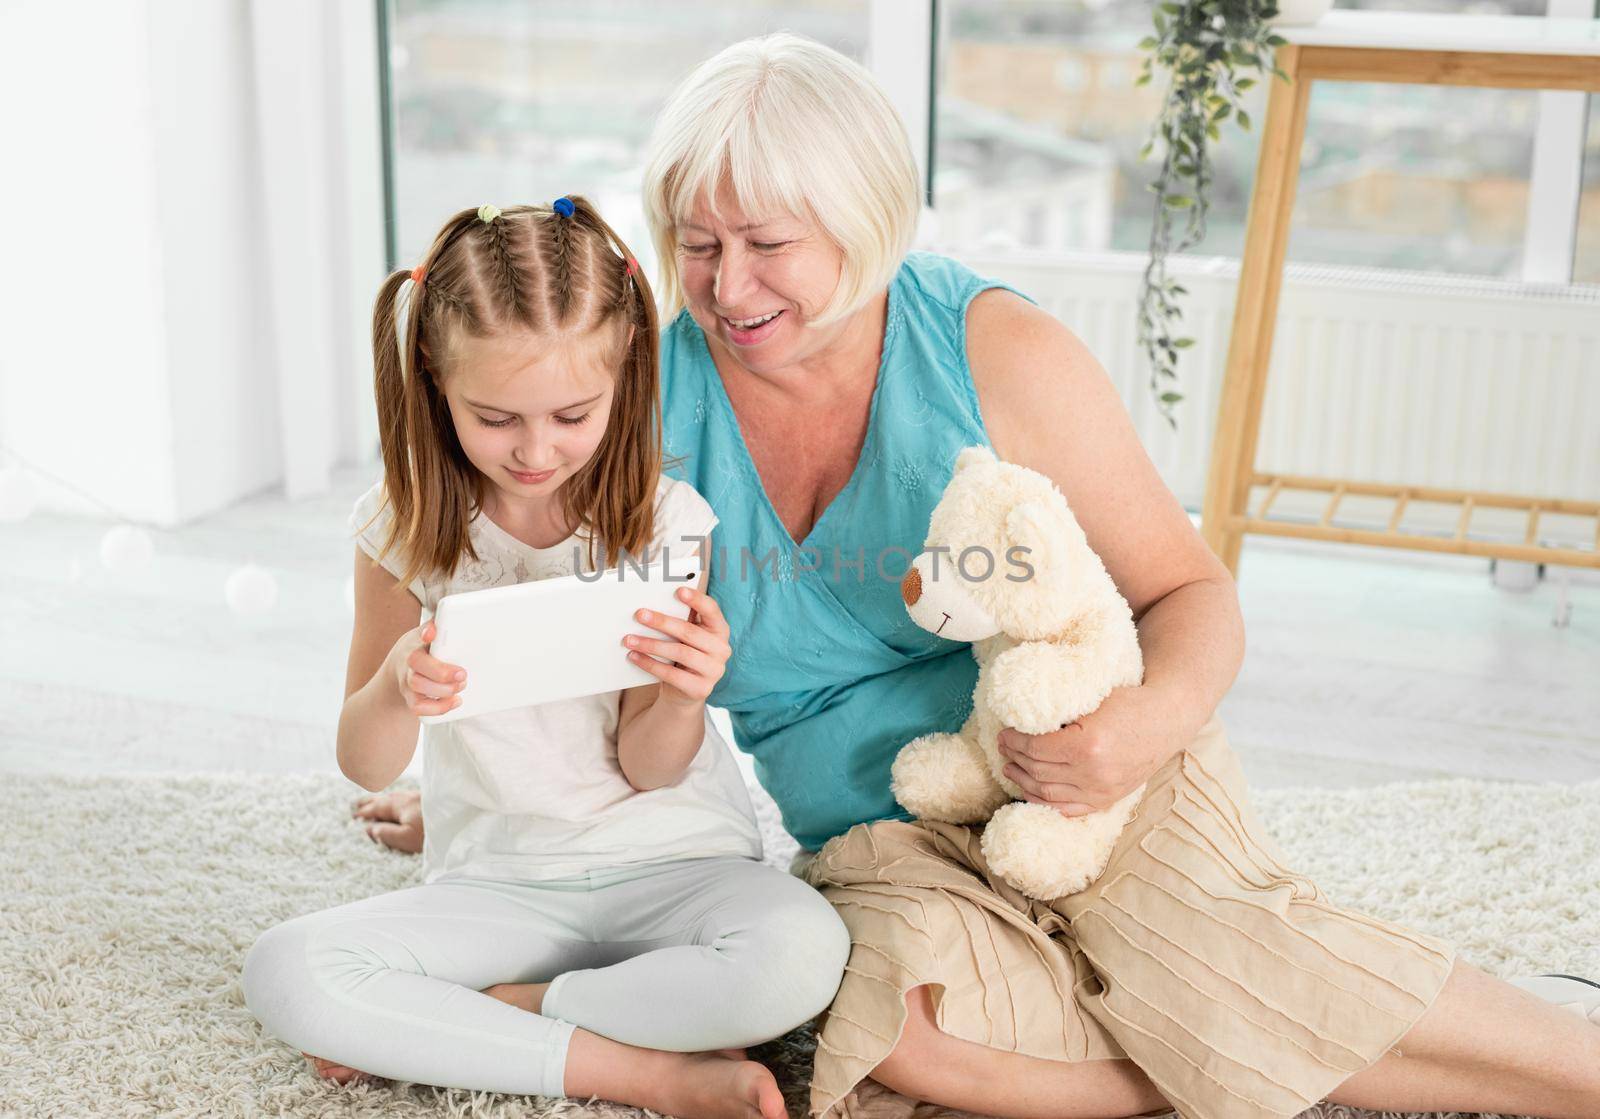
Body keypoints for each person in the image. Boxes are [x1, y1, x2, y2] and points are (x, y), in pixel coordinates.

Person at [355, 35, 1600, 1119]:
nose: (730, 288)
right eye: (698, 246)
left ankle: (1569, 1057)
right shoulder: (647, 398)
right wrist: (494, 781)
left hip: (1084, 774)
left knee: (1199, 951)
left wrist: (1133, 732)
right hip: (875, 831)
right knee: (911, 1044)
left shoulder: (992, 348)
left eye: (770, 244)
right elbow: (555, 593)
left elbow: (1190, 594)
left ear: (868, 216)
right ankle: (1316, 1032)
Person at [242, 196, 850, 1119]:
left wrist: (685, 698)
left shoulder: (664, 521)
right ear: (434, 382)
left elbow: (652, 768)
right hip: (501, 880)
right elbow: (363, 759)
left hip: (677, 862)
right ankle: (647, 1068)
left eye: (573, 414)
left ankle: (510, 1019)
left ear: (622, 380)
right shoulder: (400, 535)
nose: (535, 450)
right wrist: (400, 681)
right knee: (286, 971)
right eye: (494, 417)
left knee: (802, 953)